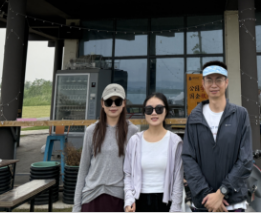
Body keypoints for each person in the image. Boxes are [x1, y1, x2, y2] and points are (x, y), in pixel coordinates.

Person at [182, 61, 253, 212]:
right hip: (203, 203)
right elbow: (188, 158)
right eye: (209, 80)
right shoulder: (194, 117)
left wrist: (222, 192)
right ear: (203, 83)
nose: (214, 85)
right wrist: (207, 195)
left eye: (219, 80)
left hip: (233, 203)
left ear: (226, 82)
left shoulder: (240, 115)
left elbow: (246, 159)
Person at [73, 83, 139, 212]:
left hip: (118, 199)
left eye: (117, 101)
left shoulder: (132, 132)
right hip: (91, 197)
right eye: (109, 102)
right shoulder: (91, 131)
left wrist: (131, 199)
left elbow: (133, 172)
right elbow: (83, 169)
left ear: (124, 103)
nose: (113, 105)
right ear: (102, 103)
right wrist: (76, 206)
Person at [123, 93, 184, 212]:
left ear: (166, 111)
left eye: (159, 109)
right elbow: (128, 174)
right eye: (149, 109)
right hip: (139, 202)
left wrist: (175, 208)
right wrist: (129, 200)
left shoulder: (175, 141)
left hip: (166, 203)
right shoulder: (134, 141)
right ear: (144, 113)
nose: (154, 113)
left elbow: (178, 178)